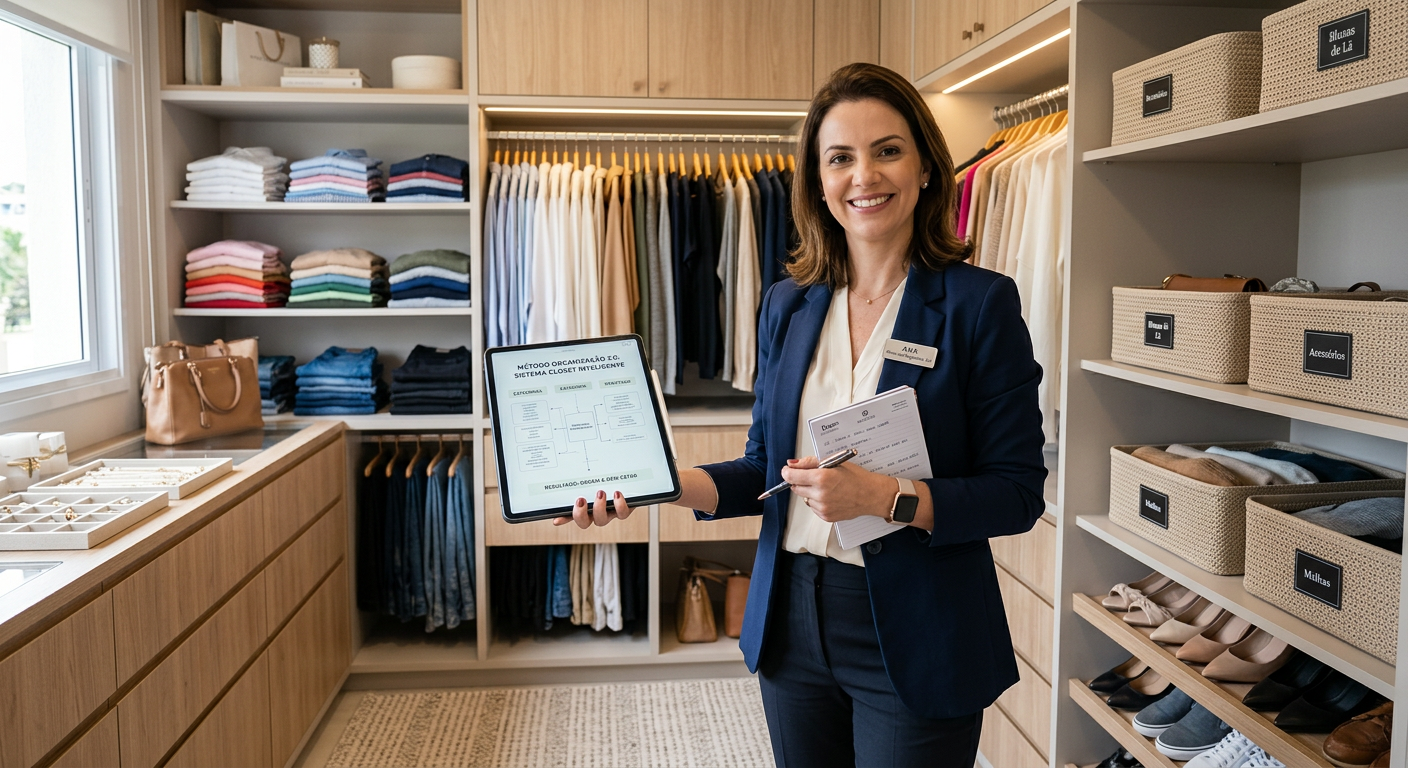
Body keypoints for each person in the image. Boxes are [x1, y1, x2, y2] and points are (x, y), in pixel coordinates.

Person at [554, 63, 1048, 768]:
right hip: (793, 618)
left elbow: (1016, 492)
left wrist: (884, 496)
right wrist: (648, 483)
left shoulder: (978, 305)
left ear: (927, 167)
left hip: (917, 626)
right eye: (840, 158)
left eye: (888, 150)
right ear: (818, 181)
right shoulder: (789, 304)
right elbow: (763, 467)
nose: (864, 176)